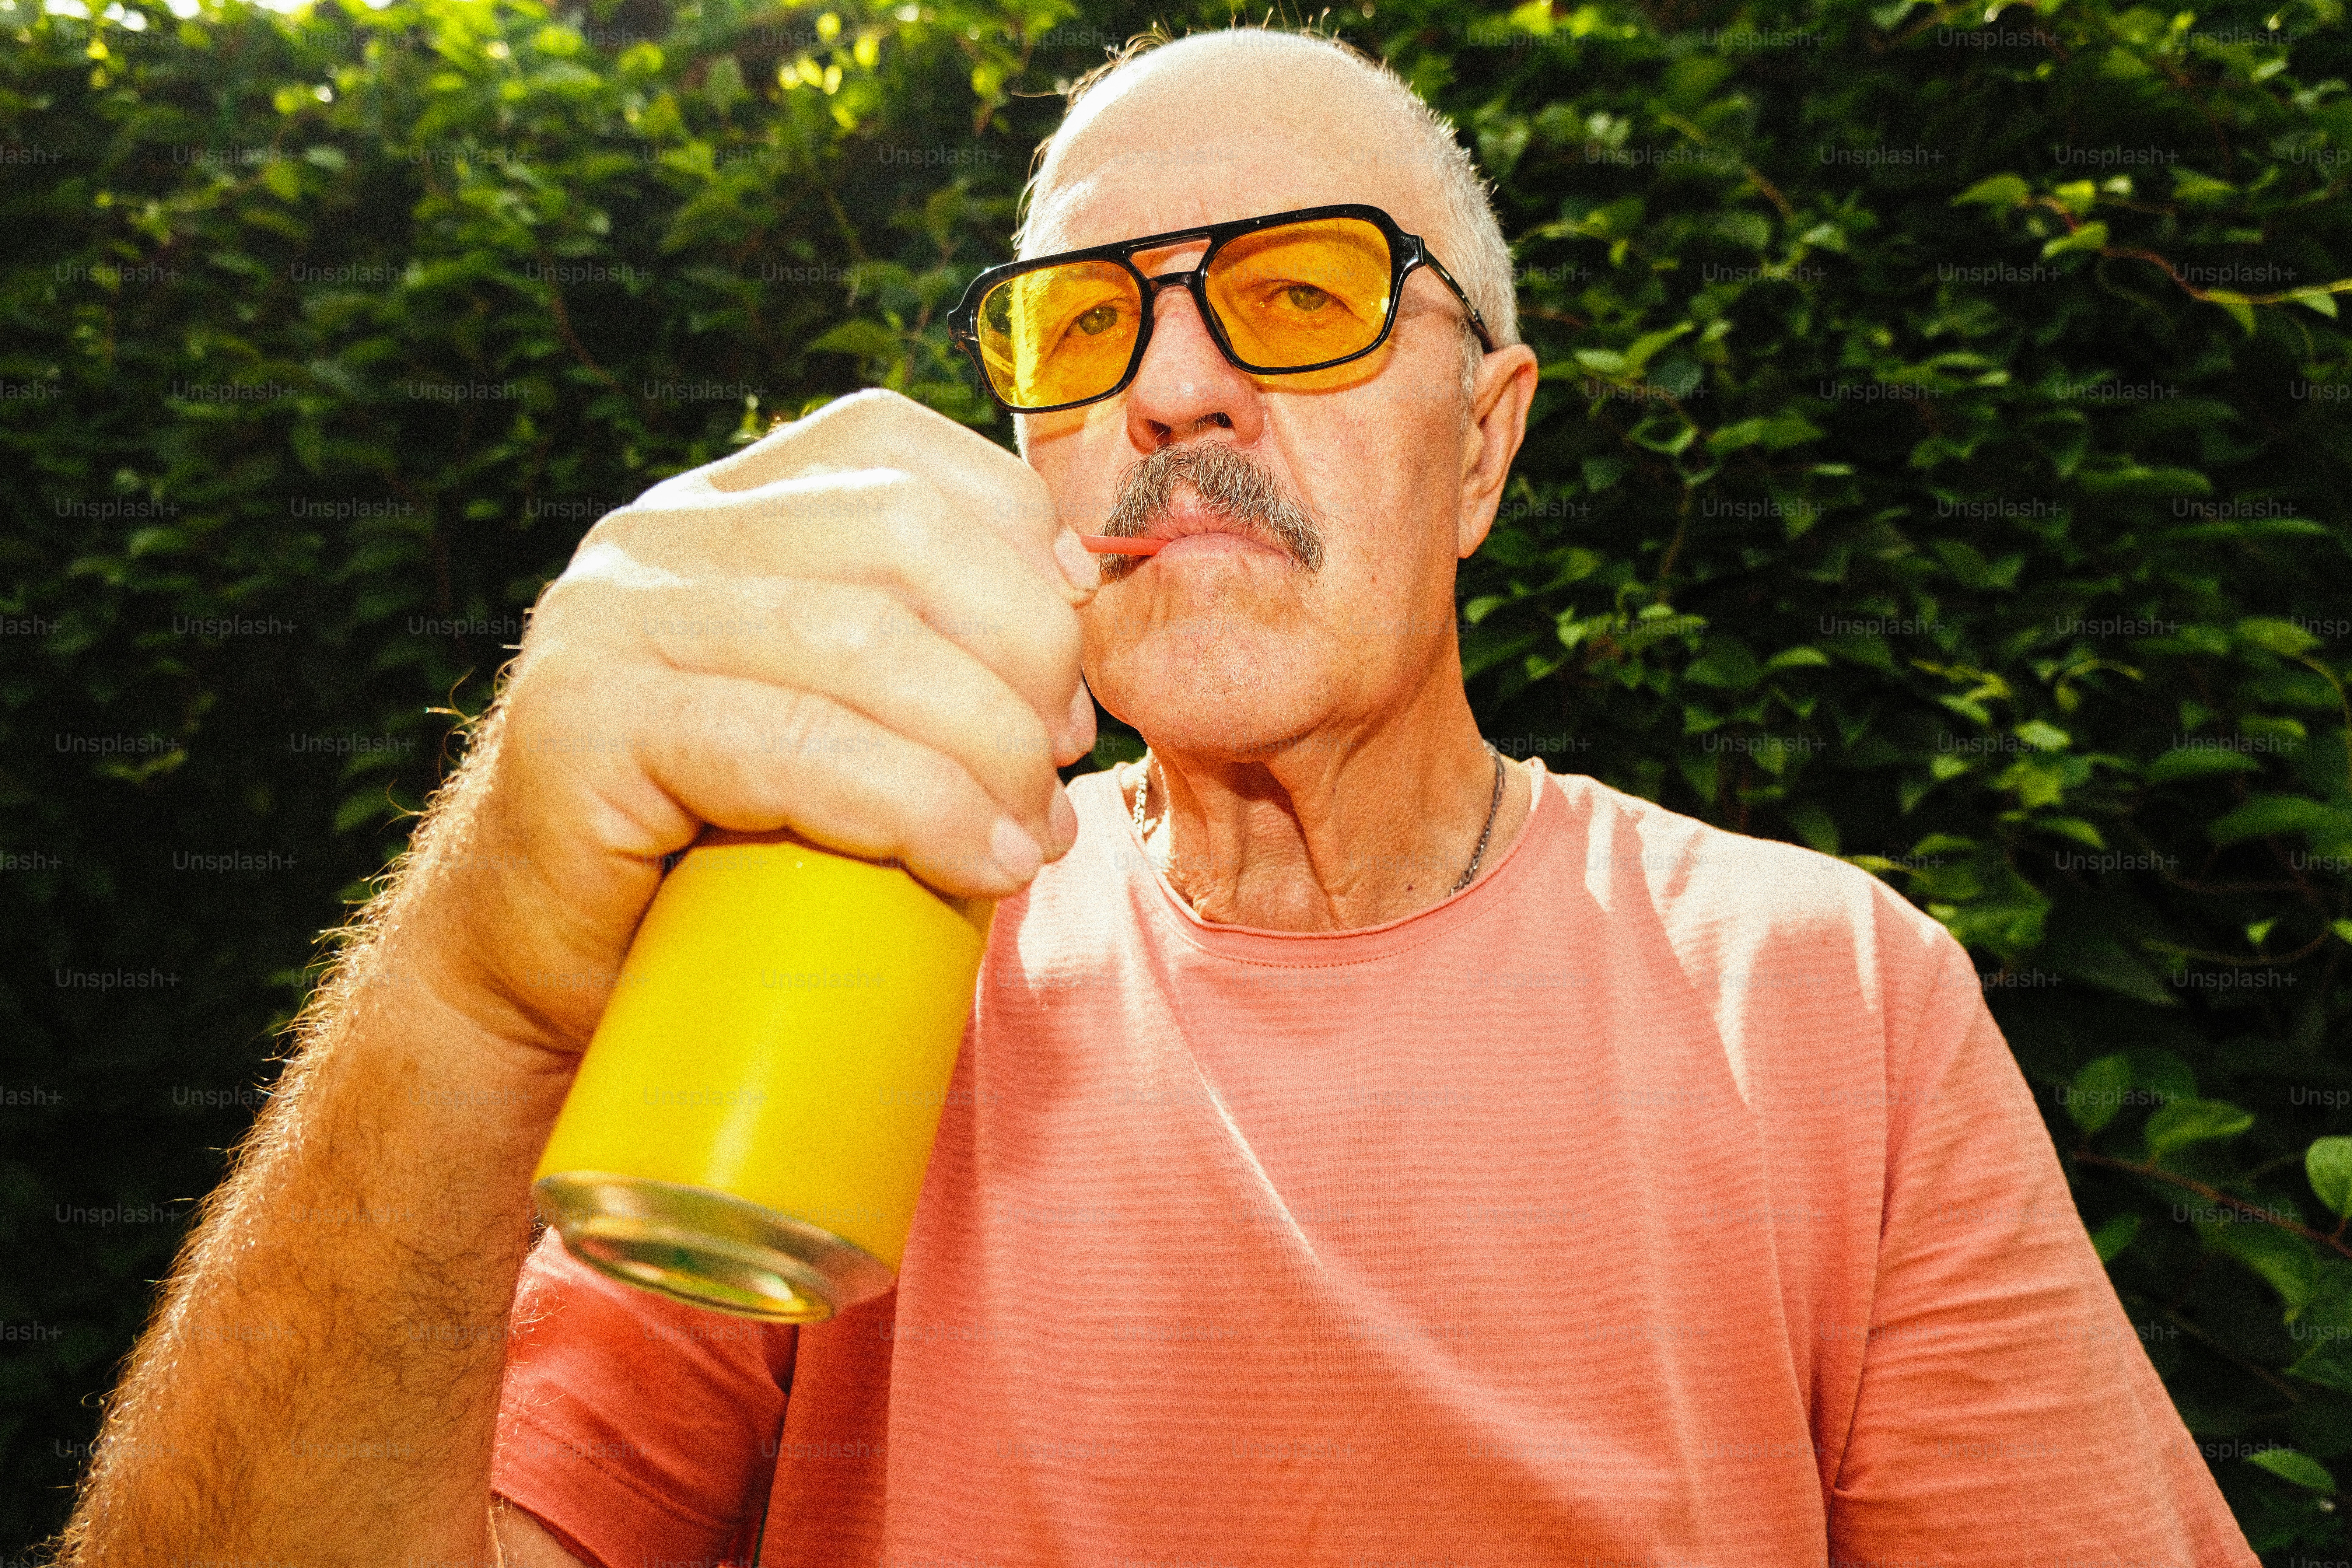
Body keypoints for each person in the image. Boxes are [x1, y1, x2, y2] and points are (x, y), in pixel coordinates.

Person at [55, 23, 2257, 1568]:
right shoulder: (852, 948)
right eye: (1082, 323)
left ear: (1484, 446)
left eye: (1297, 291)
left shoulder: (1831, 999)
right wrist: (468, 985)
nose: (1173, 386)